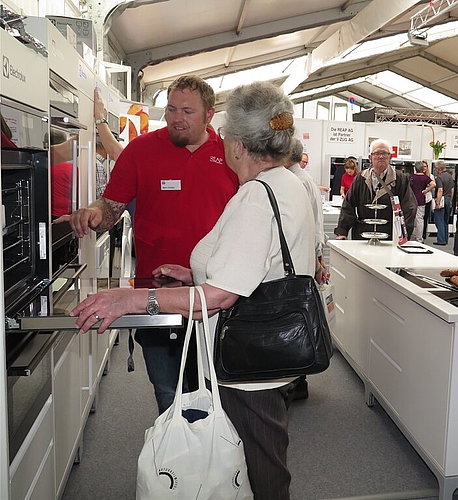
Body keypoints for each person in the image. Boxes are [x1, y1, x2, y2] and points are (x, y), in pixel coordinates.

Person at [70, 81, 320, 499]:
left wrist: (133, 298)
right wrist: (195, 272)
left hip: (247, 365)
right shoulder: (287, 182)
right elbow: (255, 264)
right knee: (253, 455)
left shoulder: (256, 196)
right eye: (171, 109)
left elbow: (221, 296)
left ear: (236, 143)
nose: (176, 118)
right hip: (260, 355)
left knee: (260, 466)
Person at [57, 75, 239, 414]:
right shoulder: (141, 151)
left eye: (187, 111)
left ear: (210, 115)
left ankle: (213, 463)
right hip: (155, 292)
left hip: (215, 294)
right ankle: (176, 464)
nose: (176, 118)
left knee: (217, 394)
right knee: (167, 391)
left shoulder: (231, 156)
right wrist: (93, 214)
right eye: (171, 109)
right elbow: (110, 207)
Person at [285, 137, 328, 401]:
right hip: (308, 255)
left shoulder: (294, 182)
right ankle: (299, 380)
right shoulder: (305, 179)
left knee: (294, 316)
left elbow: (304, 226)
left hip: (300, 258)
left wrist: (315, 261)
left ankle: (296, 379)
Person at [334, 139, 417, 240]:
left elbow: (409, 207)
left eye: (385, 153)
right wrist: (342, 231)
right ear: (370, 157)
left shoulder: (400, 179)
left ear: (390, 157)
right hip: (362, 235)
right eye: (377, 153)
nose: (381, 156)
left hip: (390, 236)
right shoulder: (361, 178)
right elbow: (348, 205)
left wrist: (403, 234)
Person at [410, 161, 435, 243]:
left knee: (411, 219)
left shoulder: (411, 177)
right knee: (420, 219)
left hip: (411, 200)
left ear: (415, 168)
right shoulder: (425, 178)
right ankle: (419, 239)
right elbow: (433, 184)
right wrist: (426, 190)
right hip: (421, 200)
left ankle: (410, 236)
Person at [433, 160, 454, 246]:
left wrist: (437, 203)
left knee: (439, 220)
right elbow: (452, 190)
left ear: (438, 169)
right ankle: (445, 239)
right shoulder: (450, 176)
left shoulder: (439, 177)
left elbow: (440, 190)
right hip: (449, 199)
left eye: (435, 168)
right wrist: (451, 201)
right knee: (445, 221)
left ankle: (441, 240)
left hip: (442, 199)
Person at [422, 160, 434, 240]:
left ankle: (423, 234)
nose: (424, 168)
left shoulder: (431, 176)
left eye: (425, 166)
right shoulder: (417, 175)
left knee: (425, 217)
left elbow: (433, 186)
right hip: (419, 198)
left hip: (428, 199)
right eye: (422, 166)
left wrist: (427, 190)